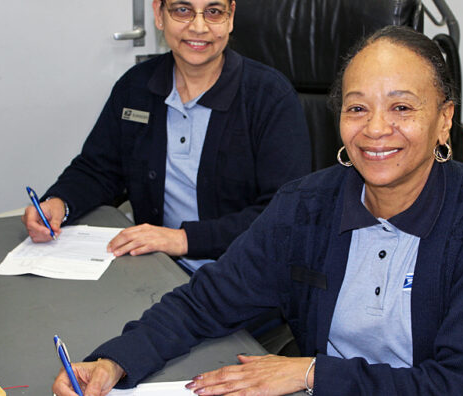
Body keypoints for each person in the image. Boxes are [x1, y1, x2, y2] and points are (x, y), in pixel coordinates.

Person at [52, 26, 463, 396]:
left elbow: (456, 385)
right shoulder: (306, 206)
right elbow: (208, 301)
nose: (375, 129)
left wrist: (311, 372)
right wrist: (115, 361)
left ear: (444, 121)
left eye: (401, 108)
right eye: (356, 108)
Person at [21, 0, 311, 273]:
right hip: (158, 271)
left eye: (213, 12)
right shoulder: (136, 86)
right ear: (159, 14)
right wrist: (60, 203)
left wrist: (182, 239)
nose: (199, 27)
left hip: (244, 278)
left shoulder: (270, 97)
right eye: (183, 10)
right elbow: (99, 168)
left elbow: (285, 213)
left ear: (231, 16)